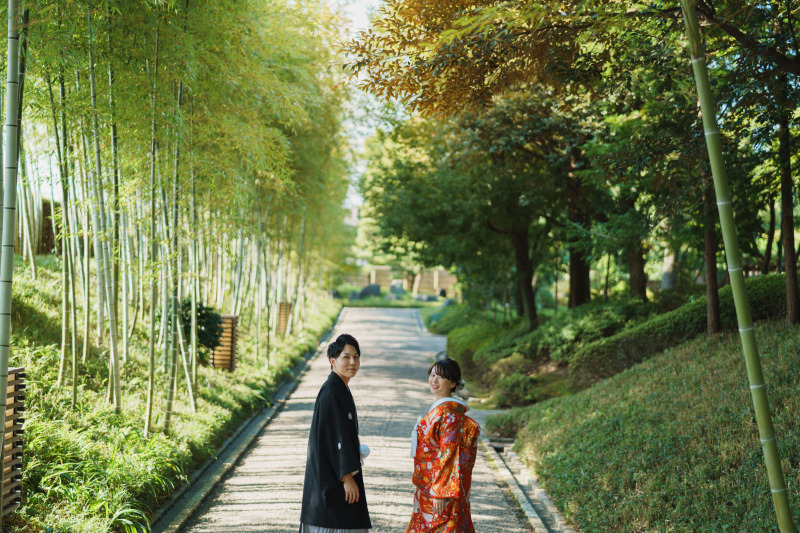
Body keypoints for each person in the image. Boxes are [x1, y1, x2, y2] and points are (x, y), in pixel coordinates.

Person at [299, 333, 372, 533]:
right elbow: (335, 438)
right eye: (346, 357)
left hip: (337, 471)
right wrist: (347, 476)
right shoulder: (331, 392)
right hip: (335, 477)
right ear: (333, 361)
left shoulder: (340, 388)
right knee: (337, 522)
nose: (352, 362)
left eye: (356, 357)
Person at [406, 357, 480, 533]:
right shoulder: (441, 409)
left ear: (453, 383)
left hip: (441, 489)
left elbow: (449, 453)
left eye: (441, 377)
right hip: (429, 485)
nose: (434, 380)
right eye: (432, 375)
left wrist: (441, 491)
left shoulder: (449, 414)